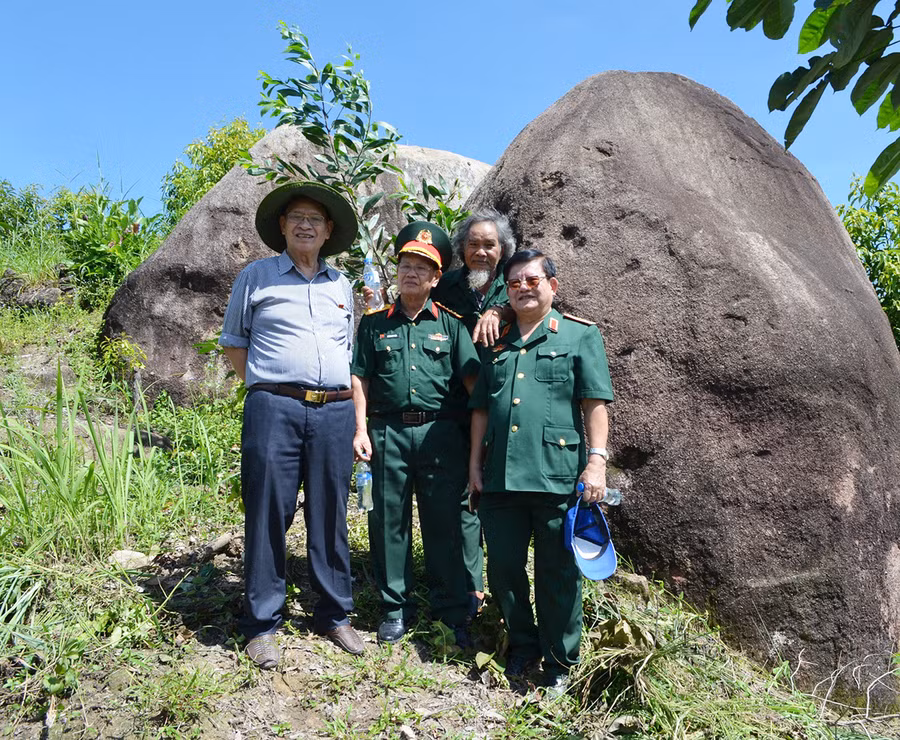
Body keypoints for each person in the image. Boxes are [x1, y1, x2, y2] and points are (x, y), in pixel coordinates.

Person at [220, 181, 365, 669]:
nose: (305, 224)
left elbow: (348, 350)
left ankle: (334, 614)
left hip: (335, 410)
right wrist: (270, 388)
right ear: (282, 226)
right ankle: (262, 623)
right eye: (296, 217)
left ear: (328, 232)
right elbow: (235, 344)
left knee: (331, 511)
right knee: (267, 511)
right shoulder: (256, 277)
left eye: (315, 219)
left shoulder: (340, 285)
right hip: (273, 408)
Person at [467, 249, 614, 694]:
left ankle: (559, 662)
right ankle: (523, 646)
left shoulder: (578, 336)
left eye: (532, 280)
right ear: (506, 292)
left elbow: (595, 402)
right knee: (505, 571)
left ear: (553, 285)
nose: (523, 288)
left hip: (555, 475)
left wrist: (596, 460)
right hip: (500, 478)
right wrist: (474, 464)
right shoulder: (497, 342)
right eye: (514, 283)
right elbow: (480, 412)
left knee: (557, 574)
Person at [351, 225, 481, 644]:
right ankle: (394, 608)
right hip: (387, 432)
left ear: (435, 279)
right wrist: (359, 429)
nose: (411, 273)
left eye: (422, 268)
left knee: (443, 521)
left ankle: (450, 608)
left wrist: (481, 441)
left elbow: (473, 386)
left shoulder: (454, 326)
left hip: (440, 434)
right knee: (387, 521)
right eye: (405, 265)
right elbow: (360, 381)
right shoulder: (373, 325)